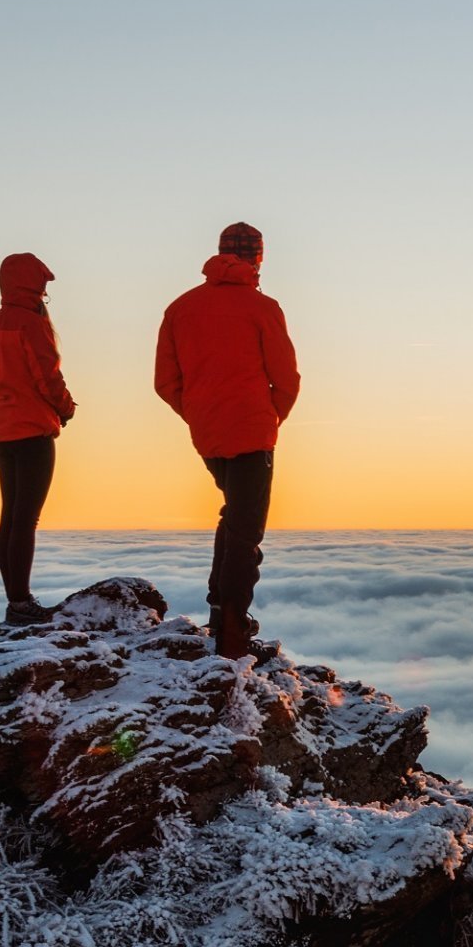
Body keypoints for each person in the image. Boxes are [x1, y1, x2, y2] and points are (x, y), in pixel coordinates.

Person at [154, 222, 300, 659]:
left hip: (208, 434)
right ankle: (233, 632)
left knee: (234, 518)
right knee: (246, 530)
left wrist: (198, 413)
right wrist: (272, 417)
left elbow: (165, 381)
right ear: (258, 258)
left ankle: (221, 610)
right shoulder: (263, 307)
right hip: (253, 431)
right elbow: (286, 378)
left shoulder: (180, 308)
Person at [0, 252, 75, 623]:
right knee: (26, 520)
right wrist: (65, 408)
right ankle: (22, 604)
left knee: (11, 516)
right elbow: (46, 376)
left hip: (3, 429)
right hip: (33, 428)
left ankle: (15, 601)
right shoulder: (31, 325)